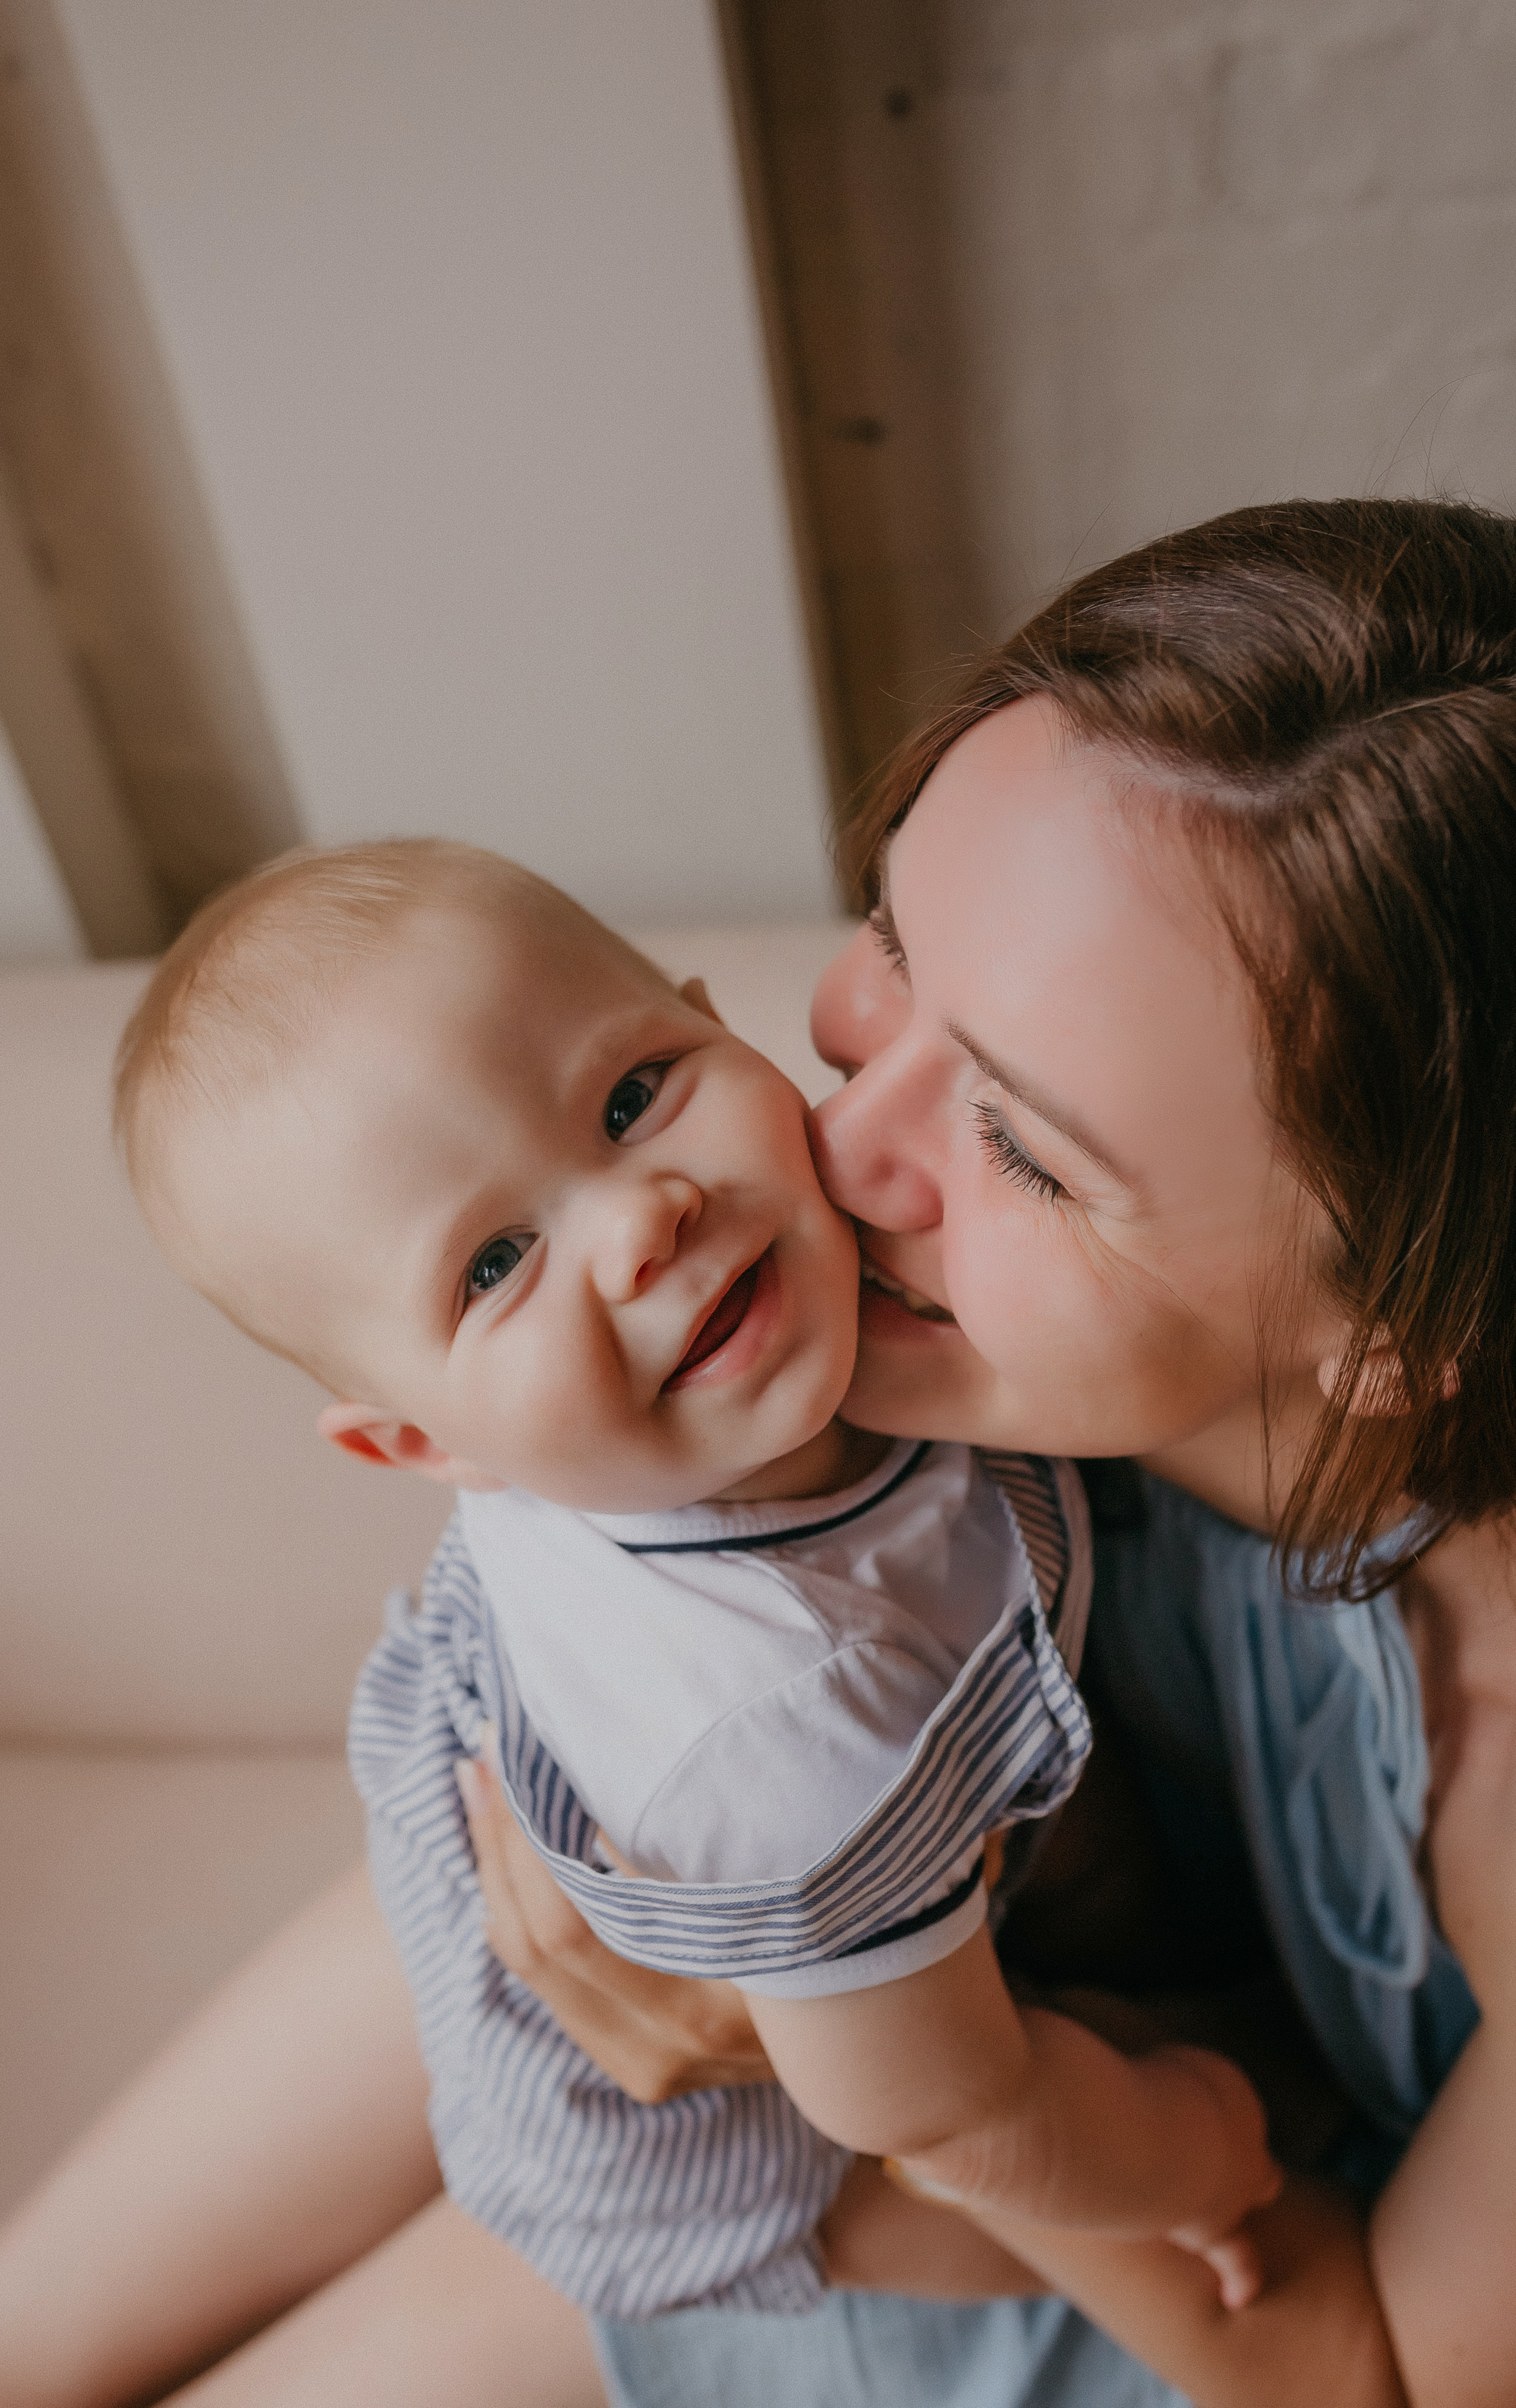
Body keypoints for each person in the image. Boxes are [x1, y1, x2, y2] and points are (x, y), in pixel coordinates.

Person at [0, 494, 1509, 2407]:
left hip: (1156, 2236)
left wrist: (809, 2073)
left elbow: (1365, 2366)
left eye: (1025, 1146)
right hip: (928, 1959)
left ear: (1398, 1329)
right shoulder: (841, 1367)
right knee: (486, 1891)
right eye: (887, 943)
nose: (835, 1147)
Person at [105, 838, 1277, 2326]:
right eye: (493, 1266)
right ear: (419, 1441)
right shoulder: (772, 1723)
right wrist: (1183, 2156)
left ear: (721, 1020)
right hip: (735, 2150)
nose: (638, 1215)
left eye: (630, 1096)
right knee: (1084, 2174)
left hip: (834, 1917)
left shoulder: (820, 1295)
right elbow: (946, 2116)